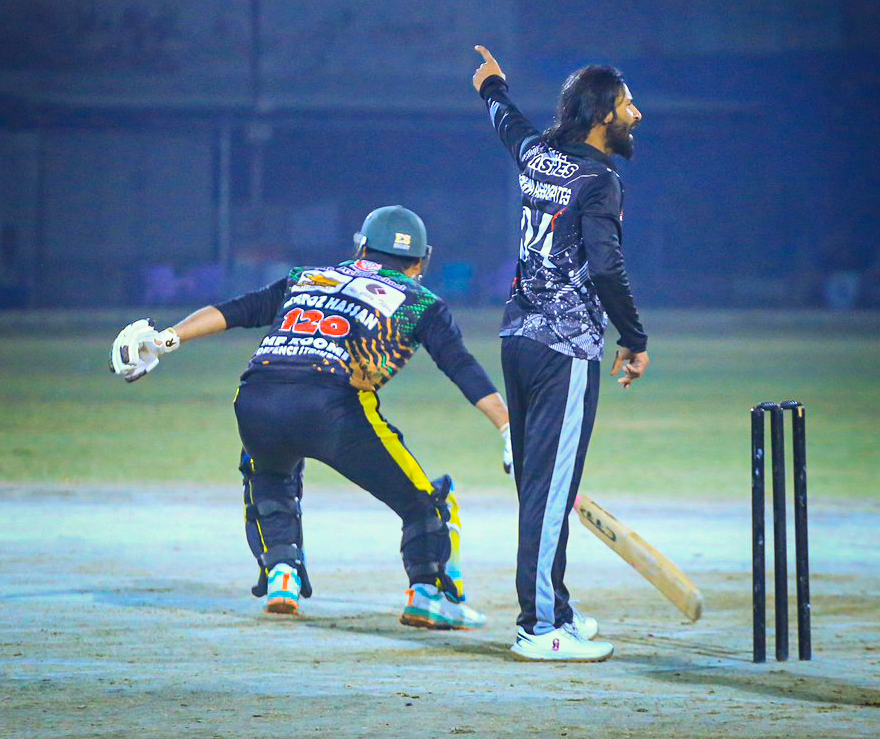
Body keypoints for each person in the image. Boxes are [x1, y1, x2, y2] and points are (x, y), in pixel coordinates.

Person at [109, 205, 512, 630]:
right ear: (420, 261)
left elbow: (237, 310)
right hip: (330, 405)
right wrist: (505, 425)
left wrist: (165, 339)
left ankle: (281, 574)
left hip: (256, 397)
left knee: (269, 473)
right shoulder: (420, 302)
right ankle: (429, 595)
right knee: (425, 502)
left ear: (361, 247)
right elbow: (459, 365)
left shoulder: (309, 277)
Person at [471, 46, 649, 661]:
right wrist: (634, 338)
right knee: (550, 492)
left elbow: (510, 126)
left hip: (517, 340)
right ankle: (540, 625)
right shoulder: (601, 180)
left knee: (541, 487)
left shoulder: (538, 157)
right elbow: (605, 266)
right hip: (564, 349)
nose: (636, 115)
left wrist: (492, 87)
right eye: (627, 104)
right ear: (602, 115)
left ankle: (557, 609)